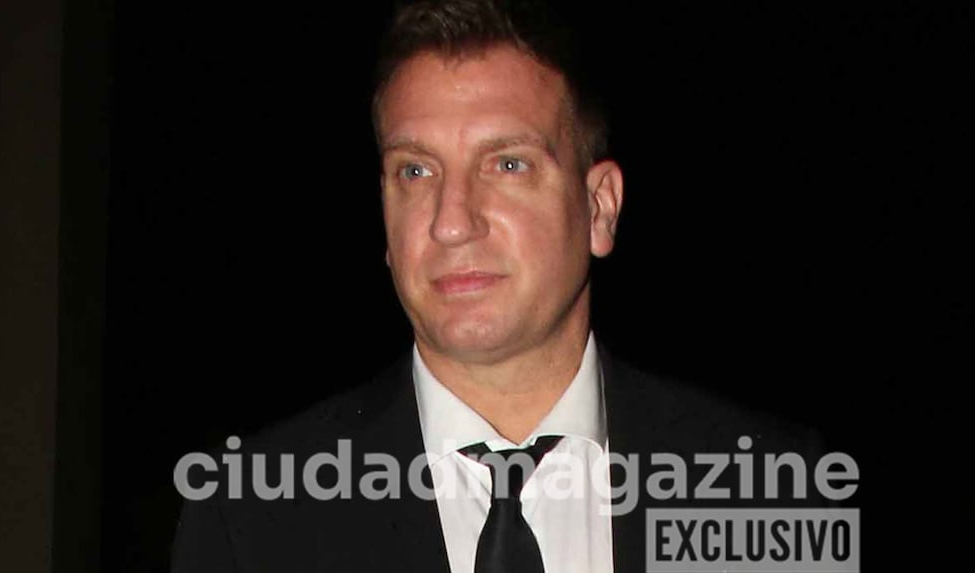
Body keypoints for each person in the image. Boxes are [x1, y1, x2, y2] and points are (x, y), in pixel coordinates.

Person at [170, 1, 830, 572]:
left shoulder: (766, 488)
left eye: (507, 164)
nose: (451, 222)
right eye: (415, 172)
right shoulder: (249, 515)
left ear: (599, 208)